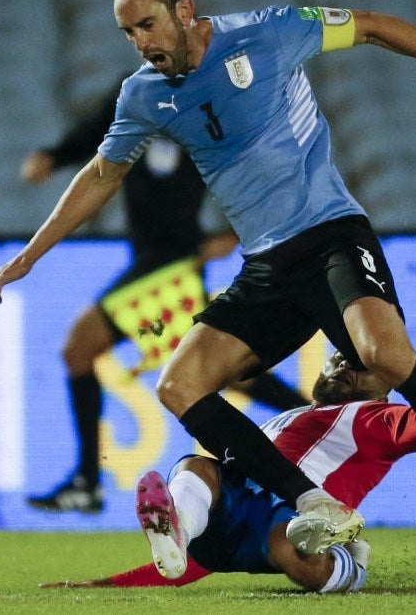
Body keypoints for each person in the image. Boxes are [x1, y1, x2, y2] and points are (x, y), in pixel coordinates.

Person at [0, 0, 416, 554]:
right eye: (128, 32)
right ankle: (313, 502)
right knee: (178, 384)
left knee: (382, 355)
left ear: (184, 10)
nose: (141, 42)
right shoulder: (143, 95)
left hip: (332, 234)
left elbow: (369, 25)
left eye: (147, 24)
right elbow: (102, 173)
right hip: (267, 269)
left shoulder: (268, 32)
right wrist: (30, 255)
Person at [39, 252, 416, 592]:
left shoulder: (374, 419)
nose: (337, 365)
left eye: (352, 364)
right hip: (230, 524)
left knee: (286, 542)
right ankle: (177, 525)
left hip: (292, 527)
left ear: (382, 379)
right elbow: (189, 571)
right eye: (335, 357)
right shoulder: (291, 417)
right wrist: (108, 586)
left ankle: (346, 567)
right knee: (198, 467)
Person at [20, 88, 309, 513]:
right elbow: (94, 135)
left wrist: (234, 231)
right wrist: (55, 155)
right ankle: (317, 418)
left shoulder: (208, 96)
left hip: (173, 264)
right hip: (155, 263)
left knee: (83, 348)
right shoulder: (135, 93)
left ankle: (86, 481)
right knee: (223, 371)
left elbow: (250, 163)